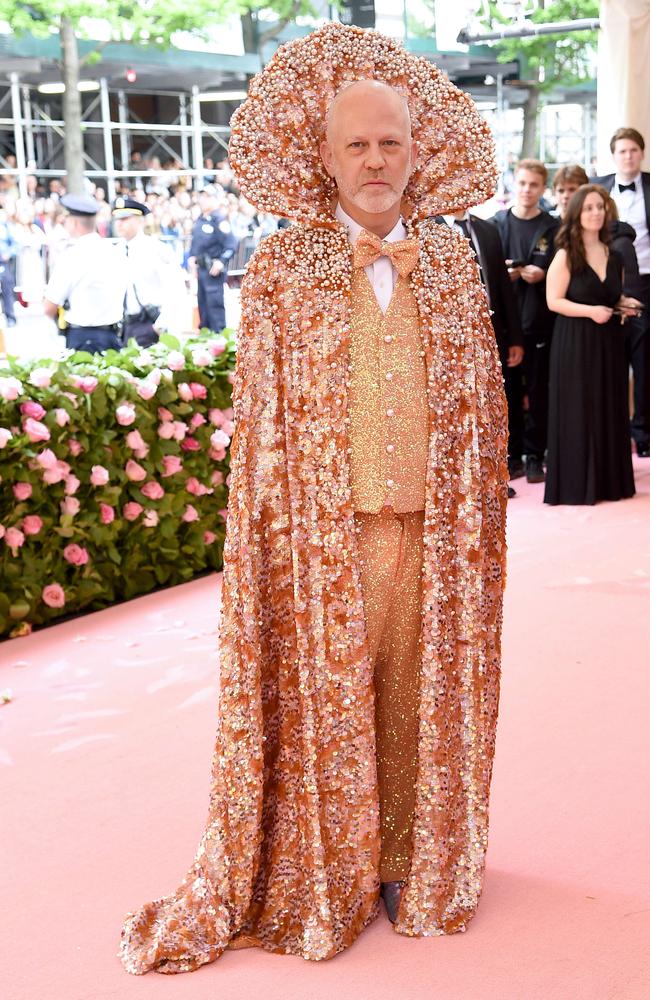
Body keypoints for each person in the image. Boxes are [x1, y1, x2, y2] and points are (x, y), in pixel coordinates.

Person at [119, 23, 507, 975]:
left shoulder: (455, 262)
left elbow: (484, 407)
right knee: (332, 697)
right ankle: (326, 861)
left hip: (435, 527)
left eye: (391, 142)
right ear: (322, 156)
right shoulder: (282, 270)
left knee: (422, 695)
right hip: (323, 536)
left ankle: (408, 858)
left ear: (421, 151)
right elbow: (263, 429)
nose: (377, 161)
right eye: (357, 144)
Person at [544, 185, 638, 505]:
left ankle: (610, 483)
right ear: (577, 214)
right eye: (589, 208)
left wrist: (624, 303)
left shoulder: (616, 255)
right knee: (578, 410)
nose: (596, 213)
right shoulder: (566, 254)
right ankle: (577, 485)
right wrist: (590, 312)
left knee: (609, 406)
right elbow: (553, 301)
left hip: (608, 341)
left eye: (600, 207)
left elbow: (609, 297)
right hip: (574, 342)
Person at [438, 210, 523, 497]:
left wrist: (514, 337)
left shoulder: (487, 230)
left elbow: (502, 287)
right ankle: (460, 482)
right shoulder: (425, 226)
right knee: (455, 409)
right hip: (446, 338)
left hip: (490, 332)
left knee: (489, 407)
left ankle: (492, 478)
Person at [490, 159, 559, 484]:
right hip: (504, 325)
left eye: (534, 185)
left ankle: (535, 455)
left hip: (541, 322)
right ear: (513, 185)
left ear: (543, 189)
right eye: (522, 183)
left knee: (538, 390)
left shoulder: (553, 227)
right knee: (507, 394)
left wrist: (544, 275)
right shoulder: (496, 225)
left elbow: (565, 271)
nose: (527, 190)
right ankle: (512, 454)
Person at [594, 127, 650, 457]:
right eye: (622, 151)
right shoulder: (597, 188)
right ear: (613, 155)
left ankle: (642, 433)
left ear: (641, 154)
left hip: (644, 282)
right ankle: (611, 431)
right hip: (603, 285)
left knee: (643, 363)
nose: (628, 156)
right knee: (609, 359)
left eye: (633, 150)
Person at [43, 194, 127, 352]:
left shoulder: (71, 257)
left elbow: (49, 306)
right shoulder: (114, 252)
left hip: (83, 338)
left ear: (73, 222)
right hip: (113, 336)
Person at [111, 196, 189, 346]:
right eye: (117, 219)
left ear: (140, 220)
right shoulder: (116, 251)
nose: (119, 224)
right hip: (126, 326)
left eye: (125, 219)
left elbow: (175, 288)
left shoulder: (156, 249)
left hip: (150, 323)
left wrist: (161, 325)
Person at [188, 184, 237, 333]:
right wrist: (192, 256)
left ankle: (219, 339)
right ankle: (206, 337)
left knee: (214, 306)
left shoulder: (219, 220)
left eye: (207, 197)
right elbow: (197, 243)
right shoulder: (200, 219)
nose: (203, 200)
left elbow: (231, 244)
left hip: (212, 270)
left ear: (215, 199)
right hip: (201, 269)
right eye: (202, 196)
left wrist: (221, 261)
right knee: (203, 305)